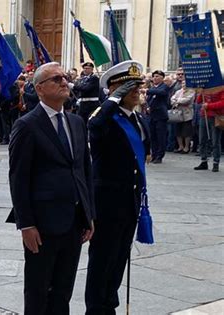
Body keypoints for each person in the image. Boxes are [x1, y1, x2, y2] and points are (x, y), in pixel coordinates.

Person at [8, 62, 95, 315]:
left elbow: (84, 170)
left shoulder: (76, 122)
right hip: (43, 224)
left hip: (74, 221)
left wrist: (89, 214)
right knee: (38, 290)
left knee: (63, 290)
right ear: (40, 88)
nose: (64, 82)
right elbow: (19, 178)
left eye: (64, 77)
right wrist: (26, 224)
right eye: (56, 79)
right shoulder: (27, 125)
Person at [86, 60, 151, 314]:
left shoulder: (137, 119)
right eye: (129, 87)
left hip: (130, 200)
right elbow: (94, 126)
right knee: (102, 260)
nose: (136, 91)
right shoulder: (105, 119)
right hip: (107, 202)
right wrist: (113, 100)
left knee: (119, 258)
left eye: (137, 86)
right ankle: (96, 308)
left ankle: (109, 306)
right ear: (114, 90)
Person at [194, 88, 224, 172]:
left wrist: (209, 106)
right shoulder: (205, 89)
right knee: (202, 140)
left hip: (216, 116)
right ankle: (203, 161)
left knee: (215, 141)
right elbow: (198, 101)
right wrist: (201, 92)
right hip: (204, 116)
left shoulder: (221, 89)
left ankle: (216, 162)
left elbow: (223, 103)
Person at [146, 70, 169, 163]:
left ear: (162, 78)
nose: (155, 78)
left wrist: (147, 90)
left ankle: (159, 156)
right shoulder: (153, 88)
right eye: (154, 76)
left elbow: (161, 92)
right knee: (153, 136)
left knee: (161, 137)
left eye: (157, 76)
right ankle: (154, 154)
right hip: (152, 115)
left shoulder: (164, 87)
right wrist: (148, 107)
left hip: (160, 115)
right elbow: (149, 100)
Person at [170, 80, 195, 154]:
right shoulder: (178, 91)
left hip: (187, 113)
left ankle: (186, 147)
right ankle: (180, 146)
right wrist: (178, 100)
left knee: (186, 131)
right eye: (183, 83)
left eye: (185, 83)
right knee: (178, 131)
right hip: (178, 113)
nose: (184, 84)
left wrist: (177, 100)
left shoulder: (191, 91)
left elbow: (187, 100)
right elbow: (172, 99)